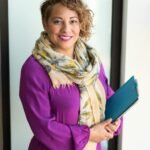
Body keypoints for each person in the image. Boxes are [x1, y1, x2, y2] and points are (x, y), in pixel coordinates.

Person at [19, 0, 123, 150]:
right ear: (45, 23)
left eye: (73, 21)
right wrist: (88, 135)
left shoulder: (92, 62)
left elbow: (107, 98)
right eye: (57, 21)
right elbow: (43, 127)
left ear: (80, 24)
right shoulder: (33, 69)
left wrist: (115, 120)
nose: (66, 29)